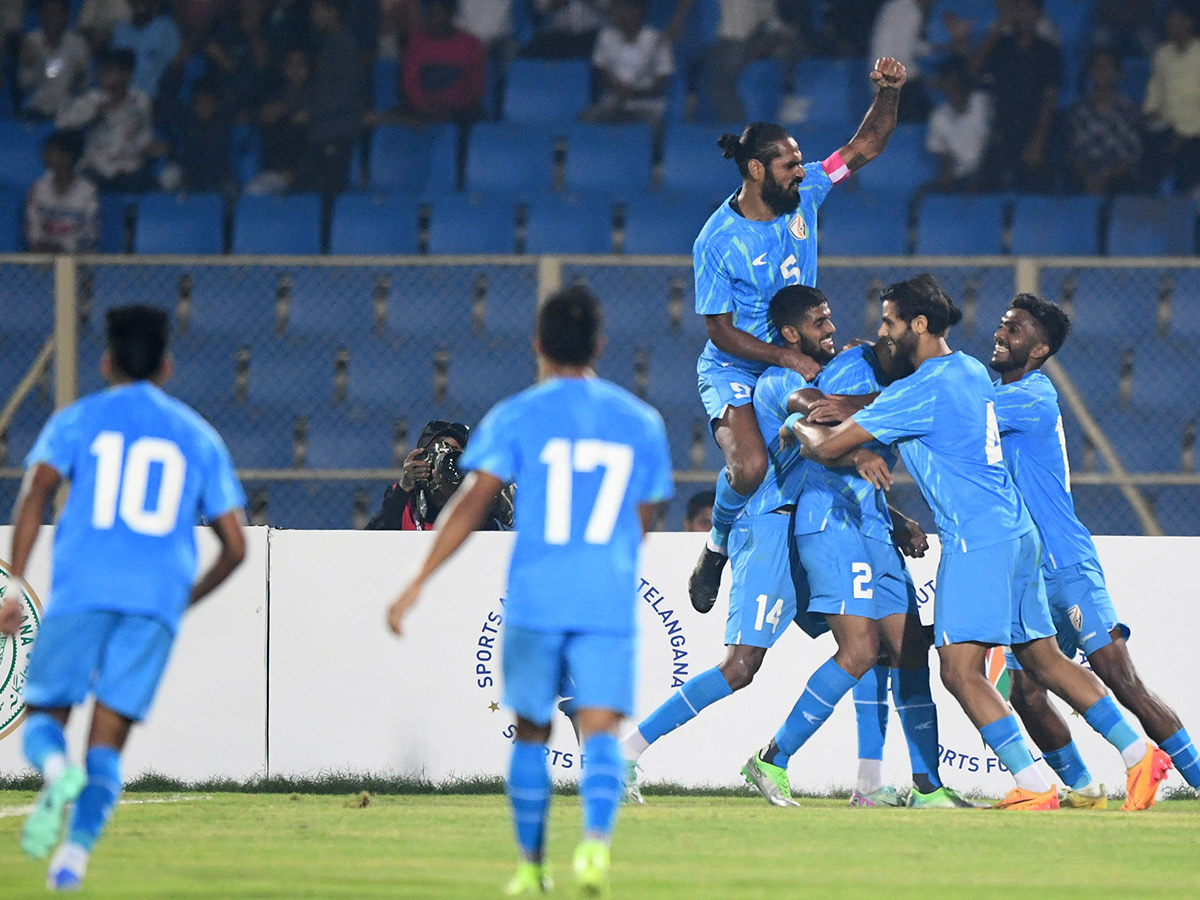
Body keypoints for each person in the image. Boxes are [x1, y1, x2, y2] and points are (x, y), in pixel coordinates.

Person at [784, 273, 1171, 811]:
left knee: (958, 670)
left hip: (975, 540)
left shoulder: (918, 390)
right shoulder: (966, 369)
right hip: (1017, 534)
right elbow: (876, 406)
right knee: (1044, 657)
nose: (882, 333)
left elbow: (827, 448)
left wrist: (796, 423)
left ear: (918, 324)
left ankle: (1035, 787)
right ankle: (1137, 755)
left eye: (890, 321)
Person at [387, 284, 673, 897]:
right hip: (604, 592)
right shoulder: (639, 421)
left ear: (537, 344)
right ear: (600, 344)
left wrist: (418, 579)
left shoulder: (517, 414)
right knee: (600, 731)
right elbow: (646, 514)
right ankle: (593, 850)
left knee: (532, 729)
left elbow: (469, 505)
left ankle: (530, 866)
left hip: (538, 593)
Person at [0, 305, 247, 890]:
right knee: (108, 746)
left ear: (106, 361)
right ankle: (73, 861)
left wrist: (13, 583)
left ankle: (57, 772)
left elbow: (36, 494)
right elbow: (236, 546)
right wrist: (180, 602)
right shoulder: (198, 436)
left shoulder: (78, 419)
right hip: (154, 603)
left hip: (83, 589)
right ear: (168, 366)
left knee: (44, 719)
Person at [687, 57, 907, 616]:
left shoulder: (805, 195)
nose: (801, 170)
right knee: (752, 469)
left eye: (800, 161)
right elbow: (720, 331)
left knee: (837, 427)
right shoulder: (716, 240)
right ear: (756, 170)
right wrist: (785, 354)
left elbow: (866, 146)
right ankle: (715, 547)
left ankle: (884, 520)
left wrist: (888, 92)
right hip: (737, 366)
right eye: (788, 164)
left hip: (795, 358)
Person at [989, 293, 1198, 803]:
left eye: (1013, 330)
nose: (1000, 334)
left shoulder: (1032, 395)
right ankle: (1083, 789)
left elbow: (952, 412)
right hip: (1027, 570)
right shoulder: (1001, 393)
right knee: (1026, 692)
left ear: (1038, 351)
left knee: (1120, 678)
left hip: (1066, 563)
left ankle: (1191, 776)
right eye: (1001, 324)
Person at [970, 0, 1061, 192]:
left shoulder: (1048, 51)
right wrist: (998, 28)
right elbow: (974, 69)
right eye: (1019, 10)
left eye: (1029, 10)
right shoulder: (1001, 46)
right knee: (983, 188)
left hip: (1033, 128)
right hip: (1004, 129)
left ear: (1038, 15)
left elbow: (1050, 98)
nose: (1023, 16)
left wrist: (1039, 139)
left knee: (1038, 188)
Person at [365, 420, 514, 531]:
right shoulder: (403, 500)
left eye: (454, 454)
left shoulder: (474, 501)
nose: (447, 461)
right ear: (421, 459)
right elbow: (372, 542)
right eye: (439, 453)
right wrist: (404, 488)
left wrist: (464, 500)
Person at [55, 48, 165, 193]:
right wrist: (94, 112)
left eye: (109, 71)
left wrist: (149, 147)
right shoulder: (91, 99)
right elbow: (62, 124)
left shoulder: (141, 101)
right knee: (82, 185)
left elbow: (145, 134)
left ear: (126, 74)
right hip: (96, 165)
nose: (102, 76)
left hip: (129, 165)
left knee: (150, 187)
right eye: (101, 71)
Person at [290, 0, 366, 199]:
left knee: (327, 198)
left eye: (318, 8)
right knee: (304, 195)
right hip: (322, 133)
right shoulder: (328, 43)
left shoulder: (342, 45)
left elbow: (345, 92)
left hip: (335, 134)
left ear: (333, 12)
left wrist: (311, 112)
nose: (313, 14)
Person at [582, 0, 674, 125]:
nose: (619, 13)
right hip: (613, 104)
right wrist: (615, 87)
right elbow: (600, 70)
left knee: (655, 126)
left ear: (637, 11)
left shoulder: (657, 39)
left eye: (624, 9)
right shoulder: (606, 36)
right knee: (586, 120)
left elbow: (662, 82)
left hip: (646, 106)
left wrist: (635, 93)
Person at [1065, 50, 1143, 196]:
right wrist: (1090, 179)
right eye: (1098, 66)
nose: (1102, 71)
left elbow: (1132, 155)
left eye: (1108, 67)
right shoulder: (1078, 110)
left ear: (1118, 73)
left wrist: (1105, 178)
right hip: (1083, 177)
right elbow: (1072, 152)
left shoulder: (1129, 109)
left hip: (1118, 178)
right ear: (1090, 72)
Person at [396, 0, 487, 125]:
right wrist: (425, 107)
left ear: (451, 14)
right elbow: (409, 83)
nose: (432, 18)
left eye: (438, 13)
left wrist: (452, 106)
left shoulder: (471, 45)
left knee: (475, 121)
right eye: (429, 13)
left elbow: (475, 87)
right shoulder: (416, 43)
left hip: (459, 111)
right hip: (423, 110)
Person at [1142, 3, 1200, 196]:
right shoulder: (1162, 54)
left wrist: (1182, 135)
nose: (1171, 26)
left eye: (1176, 22)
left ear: (1189, 23)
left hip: (1194, 134)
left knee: (1189, 156)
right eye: (1169, 22)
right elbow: (1154, 92)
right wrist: (1150, 113)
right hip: (1165, 130)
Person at [922, 55, 991, 194]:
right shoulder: (939, 117)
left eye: (955, 82)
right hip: (962, 179)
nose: (952, 88)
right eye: (947, 83)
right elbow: (944, 157)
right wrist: (946, 179)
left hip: (990, 174)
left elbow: (995, 141)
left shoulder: (983, 103)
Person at [25, 130, 99, 254]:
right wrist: (41, 243)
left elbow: (90, 231)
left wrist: (66, 247)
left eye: (51, 151)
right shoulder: (39, 187)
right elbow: (32, 224)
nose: (44, 154)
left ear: (67, 157)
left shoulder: (88, 192)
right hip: (42, 253)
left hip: (77, 256)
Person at [17, 0, 90, 121]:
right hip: (36, 109)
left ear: (66, 15)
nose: (53, 17)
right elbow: (24, 84)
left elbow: (84, 86)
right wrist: (29, 63)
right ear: (41, 15)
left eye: (57, 13)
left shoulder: (77, 43)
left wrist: (80, 77)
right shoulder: (31, 41)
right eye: (48, 13)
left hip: (66, 110)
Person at [868, 0, 935, 122]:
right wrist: (926, 80)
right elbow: (903, 55)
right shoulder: (910, 11)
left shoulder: (895, 6)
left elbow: (907, 43)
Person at [109, 0, 182, 101]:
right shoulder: (120, 29)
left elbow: (175, 68)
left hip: (151, 99)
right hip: (119, 100)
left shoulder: (167, 29)